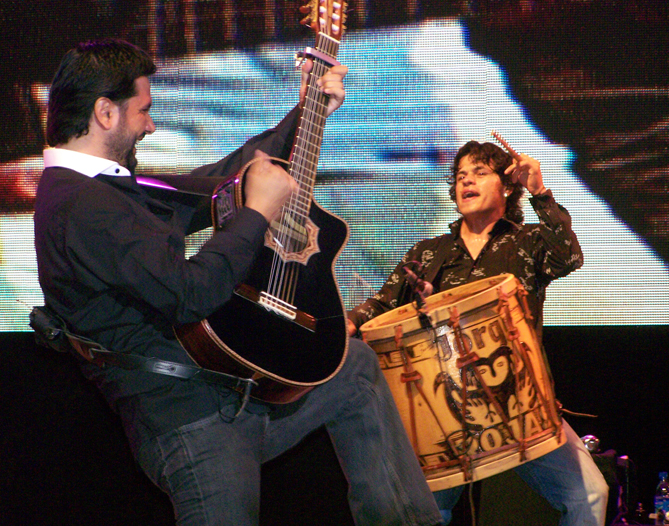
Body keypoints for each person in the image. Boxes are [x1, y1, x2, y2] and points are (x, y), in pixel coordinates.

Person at [33, 38, 443, 526]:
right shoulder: (82, 206)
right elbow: (191, 294)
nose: (151, 124)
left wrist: (308, 114)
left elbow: (222, 180)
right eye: (143, 110)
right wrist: (255, 214)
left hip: (230, 393)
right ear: (105, 112)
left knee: (351, 366)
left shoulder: (106, 188)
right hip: (190, 424)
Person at [347, 139, 609, 525]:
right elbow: (381, 307)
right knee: (429, 512)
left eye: (480, 173)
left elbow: (568, 256)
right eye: (459, 176)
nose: (465, 181)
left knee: (589, 493)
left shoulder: (526, 242)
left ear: (506, 186)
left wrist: (540, 191)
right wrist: (346, 323)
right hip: (444, 406)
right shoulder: (430, 252)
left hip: (519, 401)